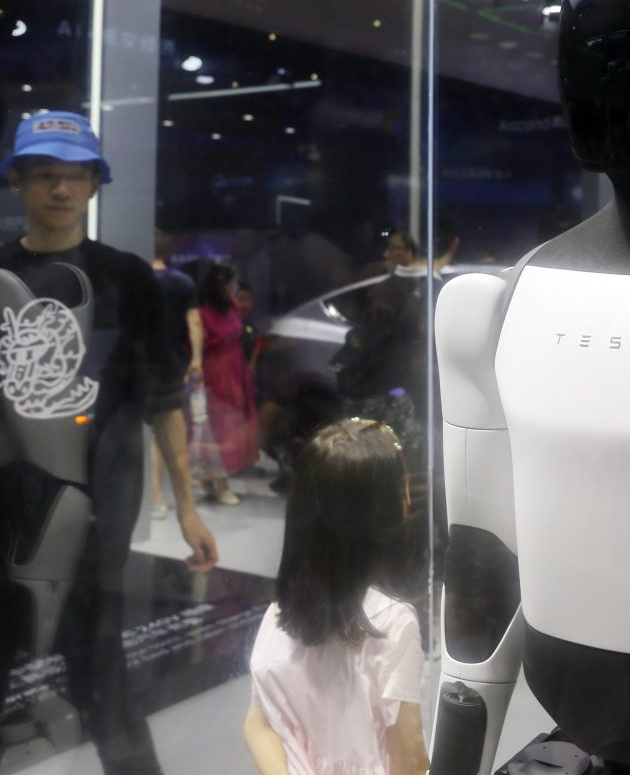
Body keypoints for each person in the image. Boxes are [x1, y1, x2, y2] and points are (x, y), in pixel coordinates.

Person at [0, 111, 218, 774]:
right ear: (18, 182)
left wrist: (186, 506)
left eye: (74, 177)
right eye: (45, 175)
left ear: (95, 185)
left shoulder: (128, 280)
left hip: (96, 516)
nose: (60, 190)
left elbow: (163, 401)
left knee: (102, 679)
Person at [245, 419, 429, 775]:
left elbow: (257, 725)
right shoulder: (392, 623)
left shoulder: (280, 614)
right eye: (401, 488)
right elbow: (411, 761)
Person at [150, 234, 203, 520]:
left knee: (147, 439)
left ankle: (155, 498)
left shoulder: (136, 280)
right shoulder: (182, 283)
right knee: (169, 435)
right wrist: (196, 359)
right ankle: (182, 504)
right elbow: (193, 323)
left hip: (136, 366)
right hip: (170, 367)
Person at [196, 261, 258, 504]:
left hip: (236, 369)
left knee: (233, 425)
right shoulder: (203, 314)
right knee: (219, 427)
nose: (235, 288)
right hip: (216, 373)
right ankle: (219, 481)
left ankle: (214, 478)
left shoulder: (231, 308)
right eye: (232, 283)